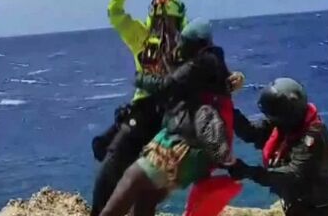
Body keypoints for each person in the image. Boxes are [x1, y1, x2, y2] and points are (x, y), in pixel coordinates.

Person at [99, 18, 239, 216]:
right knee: (145, 199)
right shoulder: (215, 67)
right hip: (196, 155)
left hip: (181, 149)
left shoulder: (201, 64)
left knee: (131, 180)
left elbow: (166, 86)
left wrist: (141, 78)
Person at [89, 0, 190, 216]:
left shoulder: (145, 38)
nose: (163, 27)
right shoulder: (181, 46)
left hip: (152, 117)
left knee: (121, 178)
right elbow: (114, 12)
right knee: (128, 180)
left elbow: (115, 11)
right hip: (163, 120)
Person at [225, 78, 328, 216]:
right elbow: (252, 133)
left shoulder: (314, 137)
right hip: (298, 205)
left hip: (318, 210)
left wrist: (249, 172)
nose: (270, 120)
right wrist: (228, 111)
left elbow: (293, 174)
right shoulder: (287, 127)